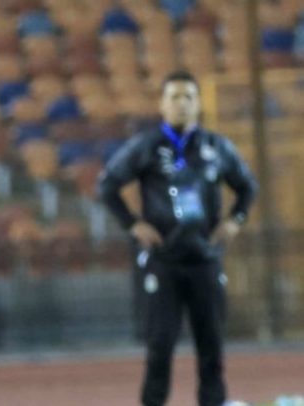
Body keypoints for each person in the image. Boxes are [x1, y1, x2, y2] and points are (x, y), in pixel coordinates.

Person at [97, 70, 257, 406]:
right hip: (163, 261)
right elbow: (107, 185)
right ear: (162, 104)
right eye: (174, 97)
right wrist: (132, 224)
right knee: (160, 345)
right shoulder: (146, 147)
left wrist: (235, 220)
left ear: (199, 104)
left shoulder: (216, 147)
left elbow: (247, 187)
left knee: (212, 346)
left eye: (188, 97)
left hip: (205, 260)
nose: (181, 103)